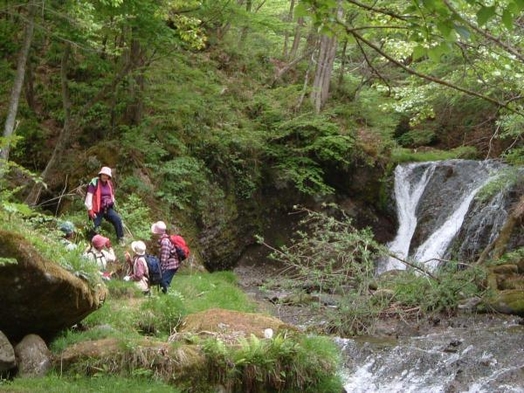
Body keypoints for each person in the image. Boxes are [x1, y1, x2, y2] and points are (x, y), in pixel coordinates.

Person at [85, 166, 125, 245]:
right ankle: (91, 241)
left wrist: (112, 203)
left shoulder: (109, 184)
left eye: (106, 175)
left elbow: (112, 195)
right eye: (103, 174)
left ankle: (120, 238)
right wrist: (90, 209)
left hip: (107, 208)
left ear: (109, 176)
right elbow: (89, 196)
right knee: (94, 226)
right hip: (96, 209)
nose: (105, 176)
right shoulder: (94, 182)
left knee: (117, 219)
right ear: (100, 175)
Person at [151, 220, 180, 294]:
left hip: (171, 265)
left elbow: (164, 258)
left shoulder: (165, 242)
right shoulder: (164, 239)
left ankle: (169, 297)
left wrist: (161, 270)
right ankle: (167, 296)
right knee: (163, 281)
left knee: (164, 281)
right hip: (172, 264)